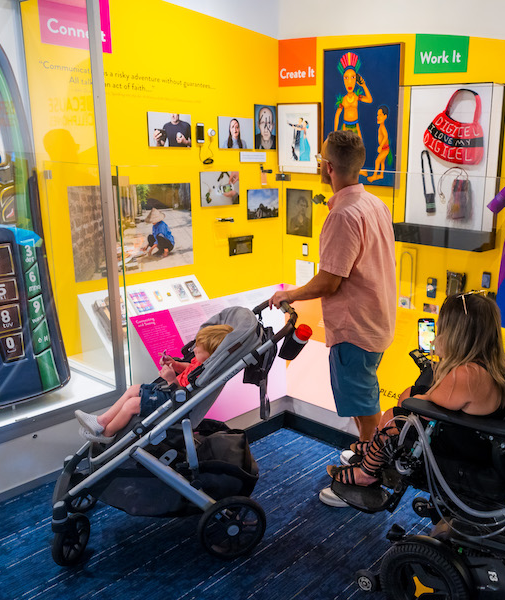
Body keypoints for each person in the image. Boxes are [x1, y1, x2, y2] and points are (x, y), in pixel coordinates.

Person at [268, 130, 395, 506]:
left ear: (326, 167)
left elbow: (330, 281)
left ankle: (365, 481)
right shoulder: (374, 203)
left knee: (365, 408)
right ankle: (366, 459)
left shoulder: (343, 215)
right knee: (363, 400)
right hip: (377, 321)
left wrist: (288, 293)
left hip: (355, 328)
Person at [326, 292, 505, 487]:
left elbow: (424, 404)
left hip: (463, 446)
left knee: (394, 415)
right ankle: (377, 445)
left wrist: (442, 358)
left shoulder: (466, 374)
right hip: (476, 437)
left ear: (454, 333)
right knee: (410, 394)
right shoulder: (497, 366)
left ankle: (367, 473)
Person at [75, 324, 234, 443]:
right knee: (133, 389)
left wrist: (171, 378)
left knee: (132, 405)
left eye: (200, 348)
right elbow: (189, 367)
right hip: (170, 392)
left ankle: (107, 434)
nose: (195, 348)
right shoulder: (201, 363)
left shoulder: (206, 372)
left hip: (174, 399)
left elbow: (186, 394)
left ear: (211, 354)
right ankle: (100, 422)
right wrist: (175, 364)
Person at [333, 51, 373, 138]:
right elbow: (337, 115)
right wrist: (335, 132)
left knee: (359, 148)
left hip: (355, 126)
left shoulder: (357, 97)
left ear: (356, 79)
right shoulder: (343, 100)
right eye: (346, 78)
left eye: (353, 77)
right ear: (343, 79)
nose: (349, 82)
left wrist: (364, 85)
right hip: (345, 127)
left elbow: (369, 100)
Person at [366, 106, 389, 183]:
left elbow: (386, 136)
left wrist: (381, 146)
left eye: (380, 115)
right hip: (384, 149)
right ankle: (381, 174)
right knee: (382, 162)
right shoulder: (380, 127)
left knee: (377, 161)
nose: (378, 117)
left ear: (385, 116)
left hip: (385, 149)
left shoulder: (383, 128)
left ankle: (375, 175)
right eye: (377, 115)